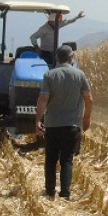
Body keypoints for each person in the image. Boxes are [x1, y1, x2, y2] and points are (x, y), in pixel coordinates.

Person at [35, 45, 92, 200]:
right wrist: (86, 118)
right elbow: (89, 99)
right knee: (67, 159)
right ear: (71, 58)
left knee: (51, 158)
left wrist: (38, 120)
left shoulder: (49, 75)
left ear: (56, 58)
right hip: (73, 125)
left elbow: (43, 99)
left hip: (53, 124)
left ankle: (49, 191)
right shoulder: (80, 75)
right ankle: (65, 192)